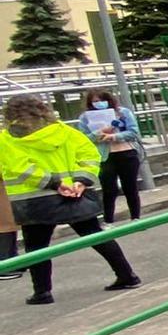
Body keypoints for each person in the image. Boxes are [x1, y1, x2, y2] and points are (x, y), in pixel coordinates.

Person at [0, 94, 141, 305]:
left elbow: (19, 168)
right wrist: (81, 181)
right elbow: (90, 154)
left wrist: (55, 183)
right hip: (74, 193)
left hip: (34, 199)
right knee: (95, 235)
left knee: (37, 247)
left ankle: (42, 292)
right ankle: (127, 275)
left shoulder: (6, 138)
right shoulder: (64, 131)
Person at [78, 85, 143, 223]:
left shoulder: (123, 112)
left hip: (126, 152)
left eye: (101, 100)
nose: (99, 103)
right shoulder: (85, 118)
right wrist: (99, 133)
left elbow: (133, 132)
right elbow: (83, 139)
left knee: (130, 187)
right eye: (95, 101)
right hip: (104, 156)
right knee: (109, 189)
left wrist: (115, 136)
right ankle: (108, 220)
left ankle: (136, 217)